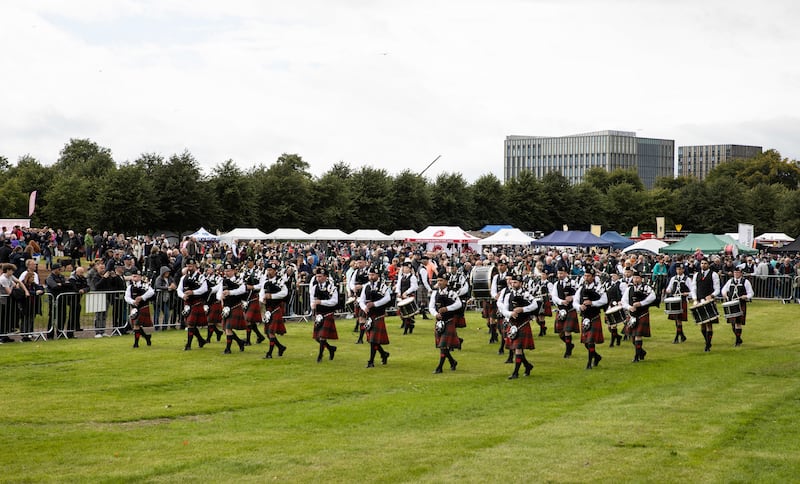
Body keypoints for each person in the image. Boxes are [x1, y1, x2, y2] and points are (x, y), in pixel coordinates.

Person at [498, 274, 537, 379]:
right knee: (516, 349)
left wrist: (523, 309)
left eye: (515, 282)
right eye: (512, 282)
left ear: (521, 283)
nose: (513, 284)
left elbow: (535, 305)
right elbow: (504, 309)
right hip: (512, 323)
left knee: (518, 348)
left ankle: (515, 373)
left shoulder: (526, 294)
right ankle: (528, 366)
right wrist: (510, 314)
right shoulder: (507, 295)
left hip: (523, 323)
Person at [574, 267, 608, 370]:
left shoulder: (599, 287)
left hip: (594, 316)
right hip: (584, 317)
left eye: (588, 276)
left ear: (593, 277)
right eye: (585, 275)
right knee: (586, 342)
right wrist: (579, 306)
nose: (586, 277)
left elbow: (604, 300)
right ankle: (597, 357)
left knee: (590, 341)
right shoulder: (581, 288)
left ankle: (589, 363)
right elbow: (575, 301)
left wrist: (592, 303)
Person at [358, 265, 391, 368]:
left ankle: (371, 361)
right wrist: (364, 307)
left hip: (378, 315)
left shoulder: (383, 286)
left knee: (373, 340)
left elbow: (387, 298)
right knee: (372, 340)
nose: (371, 277)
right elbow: (361, 300)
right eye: (369, 275)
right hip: (369, 315)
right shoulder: (366, 286)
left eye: (373, 275)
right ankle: (383, 354)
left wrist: (375, 304)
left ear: (377, 275)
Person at [429, 274, 462, 374]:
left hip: (449, 321)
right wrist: (435, 314)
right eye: (438, 280)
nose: (439, 282)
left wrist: (447, 308)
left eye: (441, 280)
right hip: (439, 322)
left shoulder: (451, 293)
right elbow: (431, 306)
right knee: (442, 345)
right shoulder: (435, 293)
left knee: (443, 345)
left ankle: (440, 367)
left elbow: (459, 304)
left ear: (446, 282)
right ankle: (452, 362)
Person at [622, 269, 656, 363]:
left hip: (642, 313)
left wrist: (641, 303)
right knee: (633, 337)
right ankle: (641, 352)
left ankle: (636, 356)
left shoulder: (647, 288)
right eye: (634, 278)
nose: (635, 280)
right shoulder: (629, 289)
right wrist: (629, 307)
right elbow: (623, 301)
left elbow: (653, 297)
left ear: (641, 279)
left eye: (637, 278)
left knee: (637, 335)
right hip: (632, 314)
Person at [177, 258, 208, 350]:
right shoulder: (183, 278)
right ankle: (201, 340)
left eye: (191, 266)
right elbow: (179, 290)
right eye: (188, 266)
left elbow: (204, 289)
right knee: (190, 324)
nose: (189, 267)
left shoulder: (201, 276)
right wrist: (183, 296)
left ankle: (188, 345)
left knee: (190, 324)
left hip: (196, 302)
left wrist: (193, 292)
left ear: (195, 266)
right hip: (187, 303)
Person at [690, 258, 721, 352]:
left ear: (708, 264)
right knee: (702, 324)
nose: (703, 265)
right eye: (702, 263)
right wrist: (695, 299)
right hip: (699, 301)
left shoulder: (714, 275)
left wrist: (711, 295)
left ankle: (708, 344)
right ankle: (707, 341)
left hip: (709, 302)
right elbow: (693, 288)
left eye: (705, 263)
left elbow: (717, 289)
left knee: (709, 323)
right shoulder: (696, 275)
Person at [260, 261, 288, 358]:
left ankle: (270, 353)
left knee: (271, 332)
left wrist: (272, 296)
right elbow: (262, 292)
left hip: (276, 308)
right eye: (268, 270)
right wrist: (262, 299)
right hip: (268, 309)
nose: (269, 272)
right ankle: (280, 347)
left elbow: (285, 293)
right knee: (268, 333)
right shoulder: (265, 281)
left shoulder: (280, 281)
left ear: (275, 271)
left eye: (271, 270)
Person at [311, 267, 339, 362]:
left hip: (328, 313)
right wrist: (313, 306)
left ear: (326, 277)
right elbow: (312, 299)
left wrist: (321, 302)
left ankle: (320, 356)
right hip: (319, 314)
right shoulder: (314, 287)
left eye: (320, 276)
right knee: (317, 337)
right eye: (317, 276)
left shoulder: (331, 287)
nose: (318, 278)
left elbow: (334, 301)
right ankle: (331, 349)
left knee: (322, 336)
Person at [721, 267, 754, 347]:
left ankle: (737, 341)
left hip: (740, 304)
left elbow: (751, 293)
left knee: (738, 323)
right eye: (735, 272)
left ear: (741, 273)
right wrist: (724, 294)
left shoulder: (745, 282)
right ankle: (738, 338)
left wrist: (745, 296)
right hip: (731, 304)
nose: (736, 274)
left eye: (738, 272)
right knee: (732, 323)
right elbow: (723, 290)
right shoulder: (730, 281)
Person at [218, 262, 247, 354]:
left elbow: (242, 290)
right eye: (225, 271)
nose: (227, 273)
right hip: (226, 307)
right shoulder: (223, 281)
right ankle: (240, 342)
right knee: (226, 328)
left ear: (234, 271)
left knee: (228, 328)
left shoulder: (239, 280)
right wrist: (220, 296)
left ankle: (228, 349)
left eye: (229, 271)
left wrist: (230, 292)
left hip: (235, 306)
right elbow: (219, 292)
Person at [550, 266, 578, 358]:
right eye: (558, 273)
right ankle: (570, 345)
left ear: (566, 273)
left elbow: (578, 293)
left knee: (567, 331)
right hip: (561, 309)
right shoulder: (556, 284)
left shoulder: (572, 282)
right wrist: (561, 301)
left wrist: (572, 298)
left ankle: (568, 351)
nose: (560, 275)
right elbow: (554, 296)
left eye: (561, 273)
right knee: (560, 333)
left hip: (570, 310)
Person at [125, 269, 155, 348]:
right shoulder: (130, 287)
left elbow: (151, 292)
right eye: (133, 276)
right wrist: (133, 301)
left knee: (138, 325)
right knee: (135, 325)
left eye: (136, 276)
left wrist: (142, 297)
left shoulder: (145, 285)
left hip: (143, 307)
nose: (134, 278)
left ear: (140, 277)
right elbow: (126, 297)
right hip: (134, 308)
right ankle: (144, 338)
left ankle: (137, 343)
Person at [665, 264, 692, 344]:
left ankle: (677, 337)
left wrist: (687, 294)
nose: (679, 271)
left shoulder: (687, 279)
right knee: (676, 319)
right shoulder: (673, 278)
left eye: (680, 269)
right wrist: (668, 290)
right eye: (677, 269)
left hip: (682, 300)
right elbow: (669, 288)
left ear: (683, 270)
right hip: (674, 300)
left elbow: (692, 291)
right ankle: (682, 336)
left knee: (679, 319)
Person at [241, 257, 265, 346]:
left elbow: (262, 284)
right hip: (246, 297)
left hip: (254, 297)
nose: (248, 263)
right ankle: (260, 336)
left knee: (248, 319)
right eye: (247, 262)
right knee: (251, 321)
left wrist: (253, 287)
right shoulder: (244, 272)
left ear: (253, 262)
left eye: (249, 262)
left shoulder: (259, 272)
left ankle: (248, 340)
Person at [394, 261, 419, 335]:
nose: (405, 269)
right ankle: (409, 325)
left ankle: (407, 329)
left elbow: (414, 287)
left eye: (407, 268)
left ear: (410, 269)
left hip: (408, 297)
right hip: (402, 297)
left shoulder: (413, 277)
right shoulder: (401, 277)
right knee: (402, 313)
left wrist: (406, 293)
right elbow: (398, 286)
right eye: (404, 268)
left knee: (409, 314)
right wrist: (398, 292)